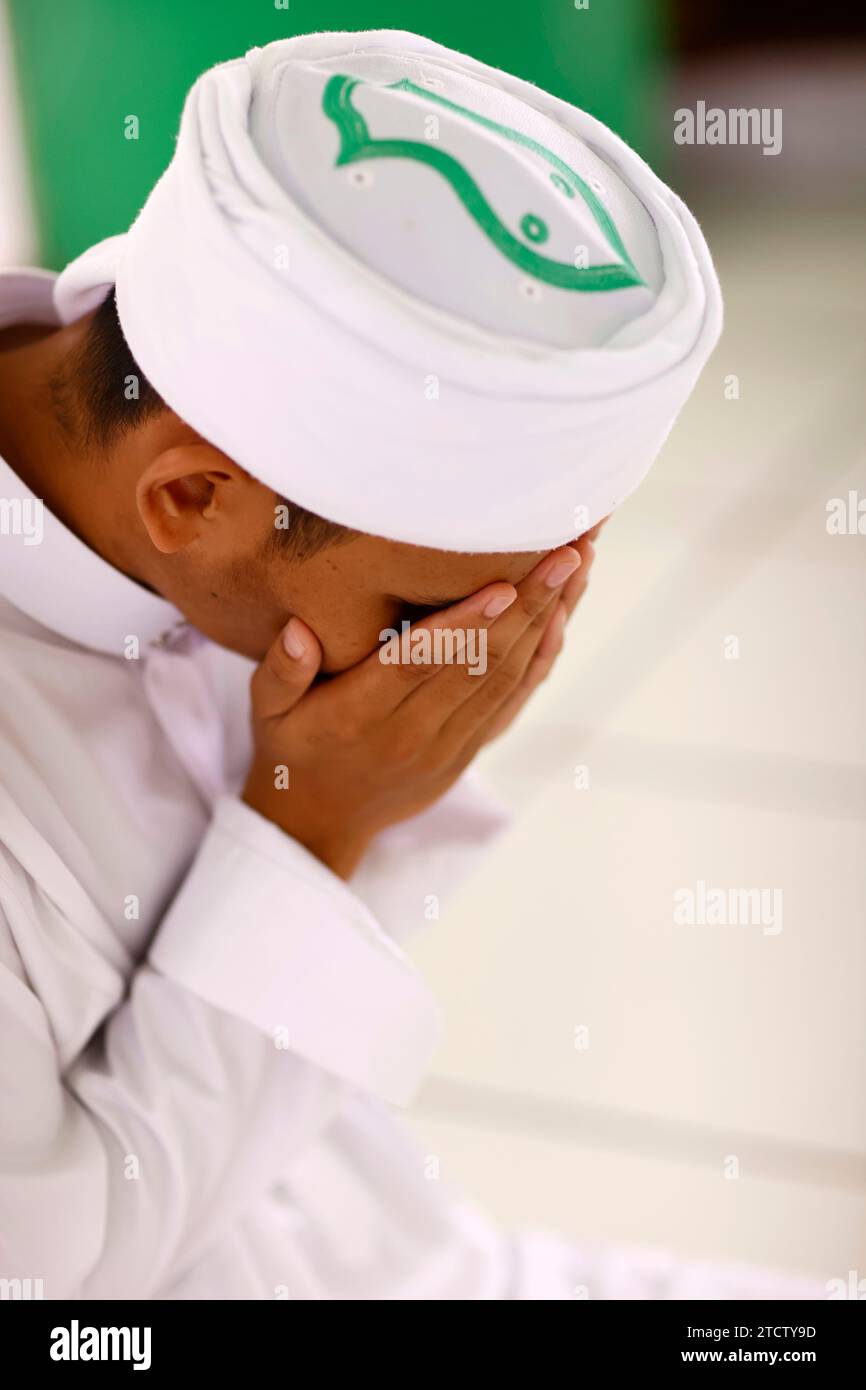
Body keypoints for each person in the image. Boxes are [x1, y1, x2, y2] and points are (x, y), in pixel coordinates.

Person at [0, 29, 814, 1299]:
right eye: (437, 607)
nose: (491, 649)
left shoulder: (192, 454)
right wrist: (308, 832)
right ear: (193, 499)